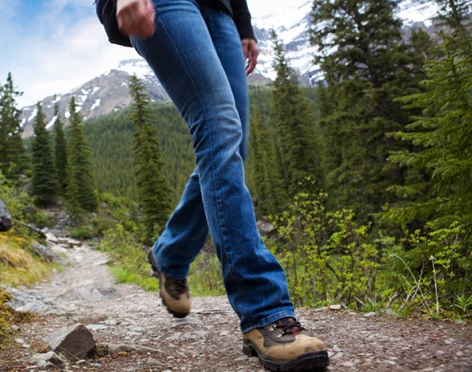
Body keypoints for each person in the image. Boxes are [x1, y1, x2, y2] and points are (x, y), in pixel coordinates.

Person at [115, 0, 329, 370]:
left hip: (221, 12)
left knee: (233, 144)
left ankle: (171, 253)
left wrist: (243, 24)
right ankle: (265, 310)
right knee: (218, 126)